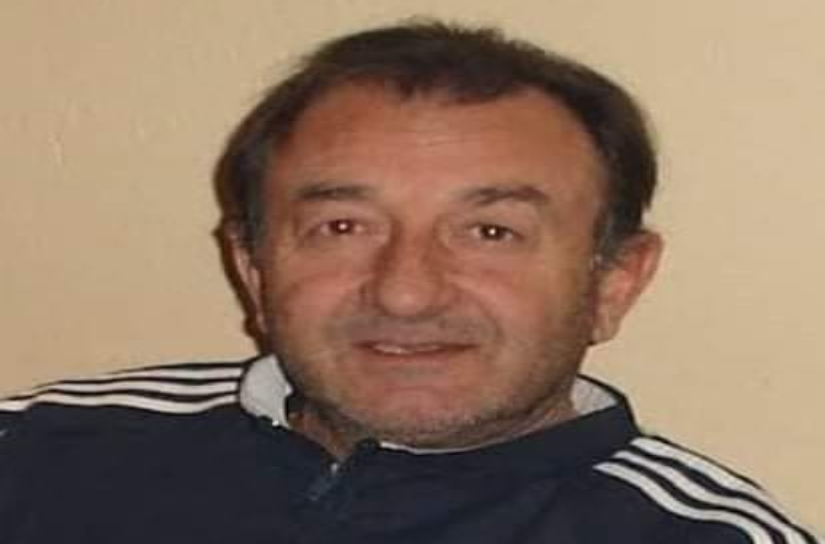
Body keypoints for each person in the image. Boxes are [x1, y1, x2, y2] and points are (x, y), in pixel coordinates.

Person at [0, 20, 819, 544]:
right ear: (252, 268)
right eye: (342, 228)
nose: (405, 292)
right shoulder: (38, 453)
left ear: (613, 281)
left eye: (491, 233)